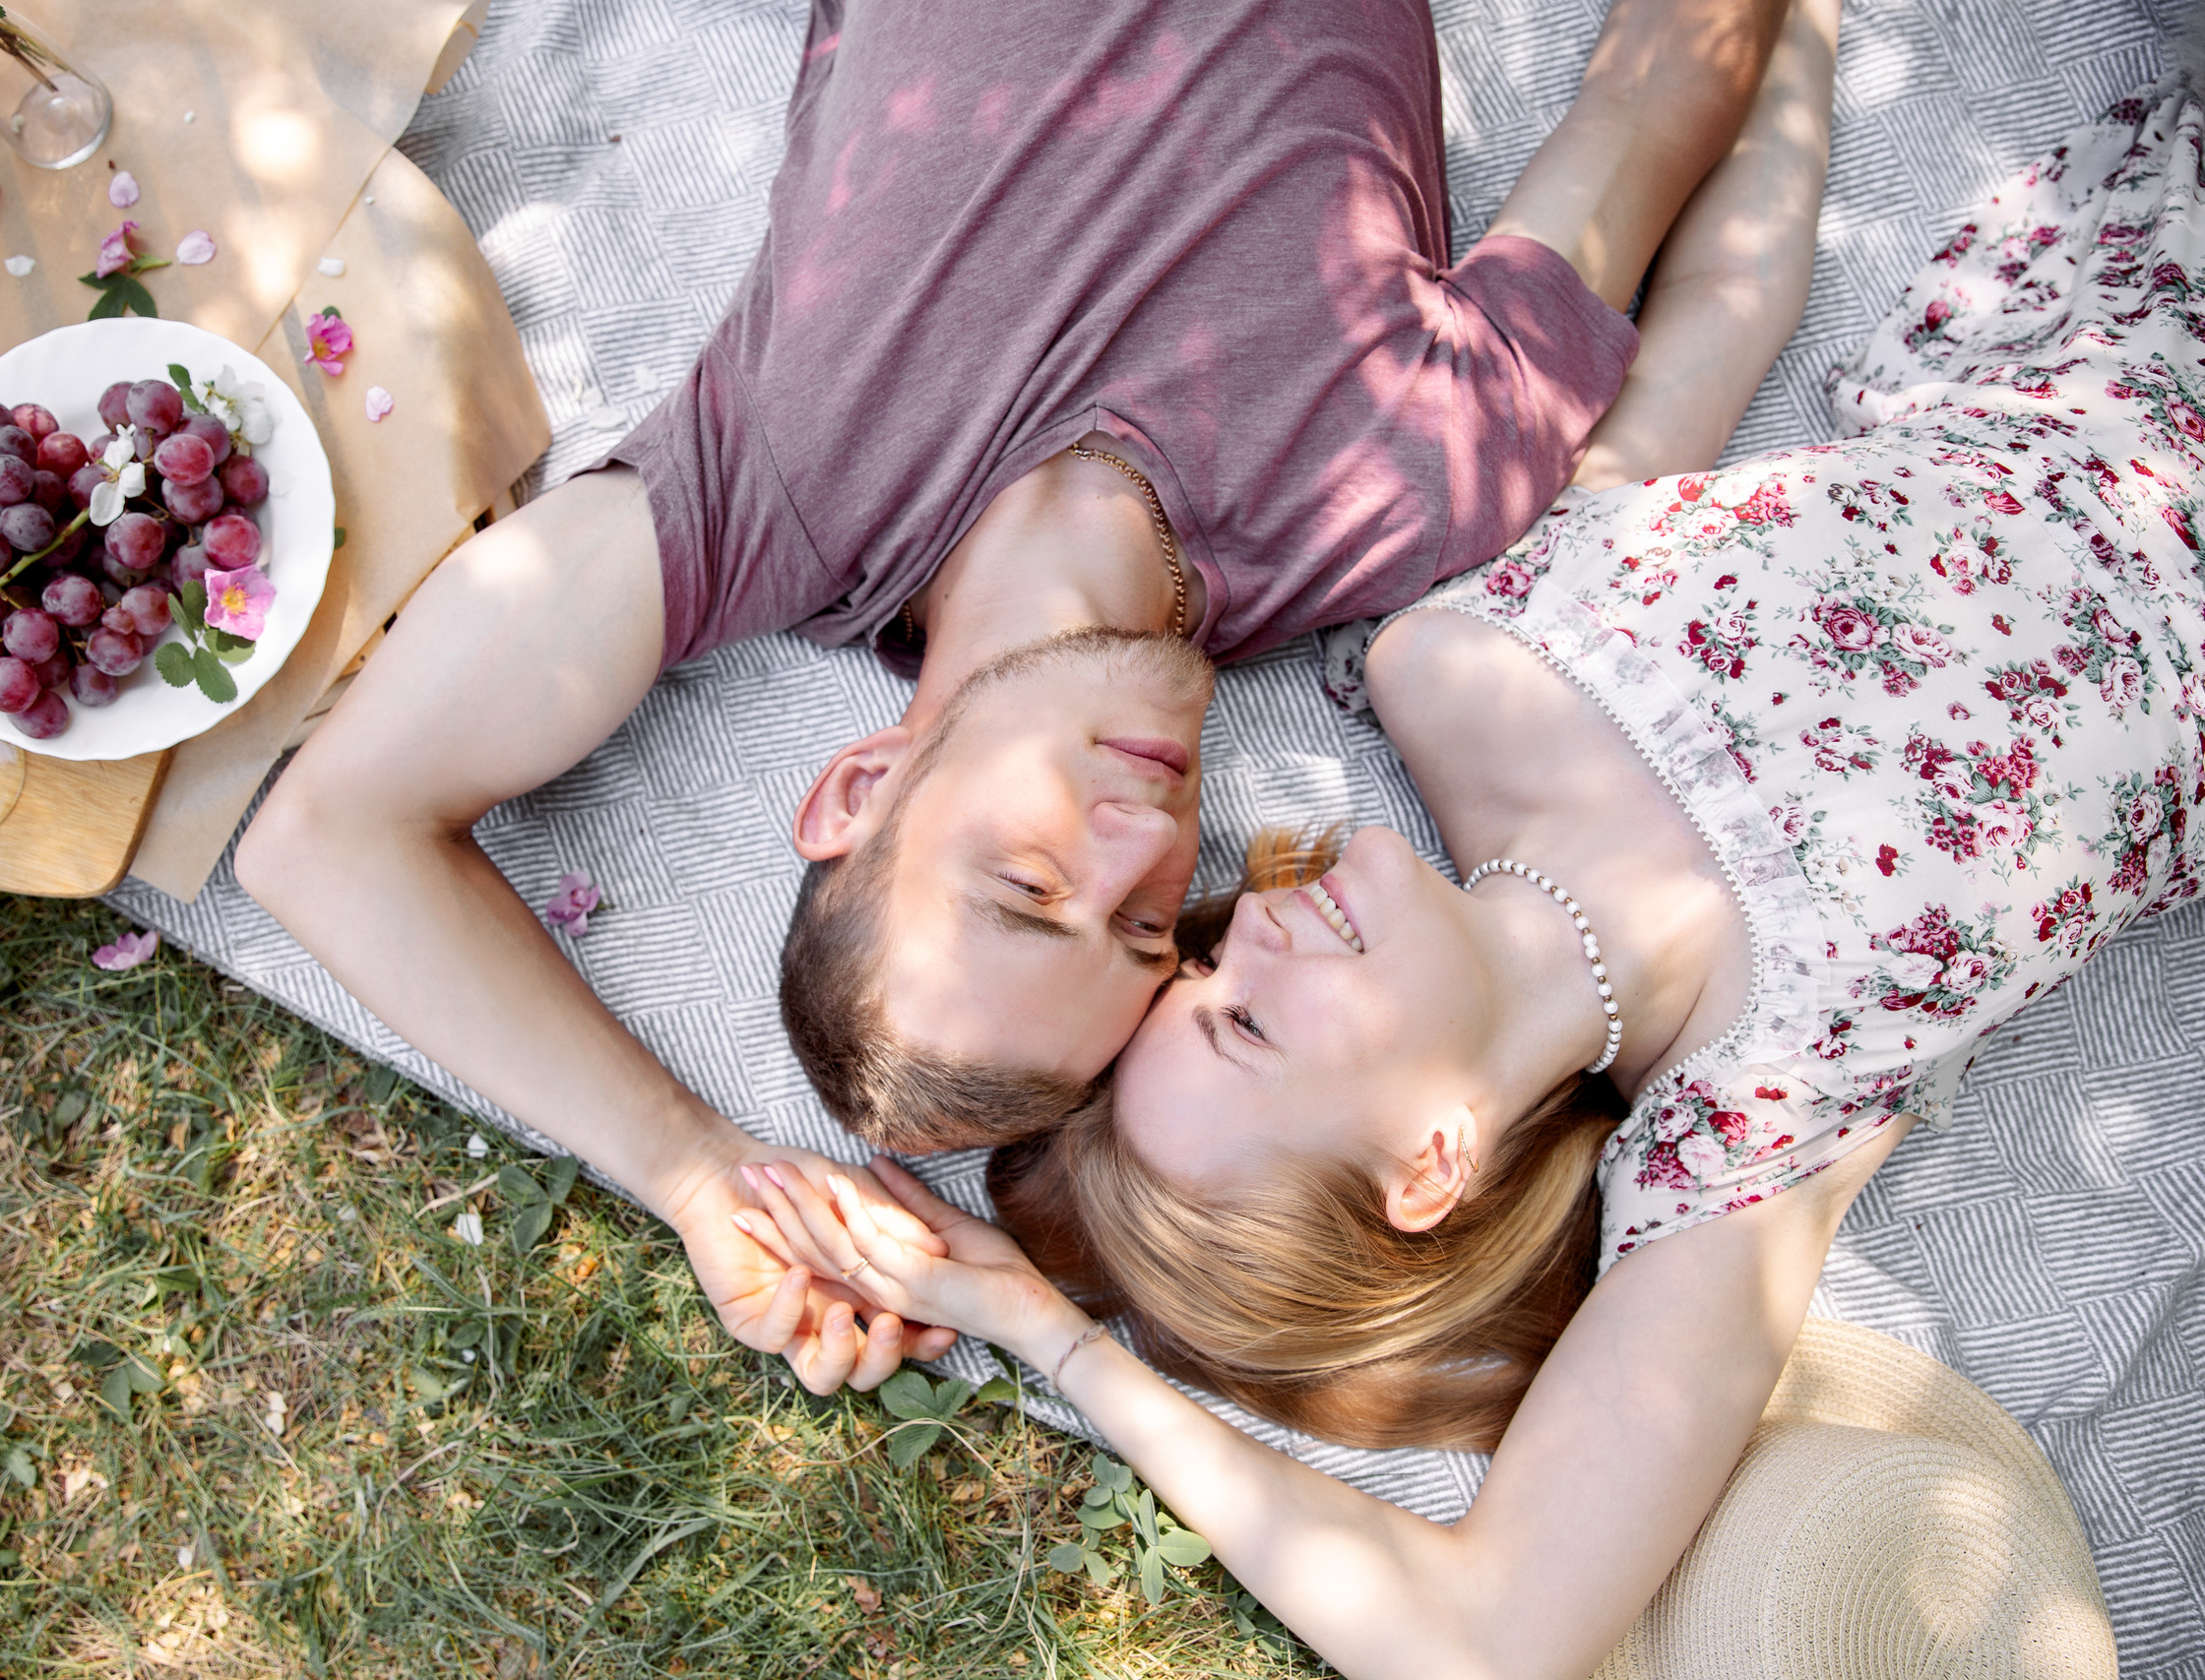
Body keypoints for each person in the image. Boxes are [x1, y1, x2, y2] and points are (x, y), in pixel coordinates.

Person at [735, 27, 2205, 1676]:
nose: (1249, 930)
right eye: (1249, 1019)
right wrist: (1046, 1337)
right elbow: (1488, 1641)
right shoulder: (1751, 1114)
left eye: (1196, 957)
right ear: (1434, 1163)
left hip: (2111, 353)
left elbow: (1718, 321)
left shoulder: (1456, 668)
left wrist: (1797, 39)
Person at [236, 0, 1792, 1394]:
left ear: (861, 789)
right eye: (1136, 931)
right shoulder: (1411, 488)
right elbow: (1650, 109)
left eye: (1028, 882)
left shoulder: (777, 492)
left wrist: (702, 1175)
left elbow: (327, 836)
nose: (1139, 847)